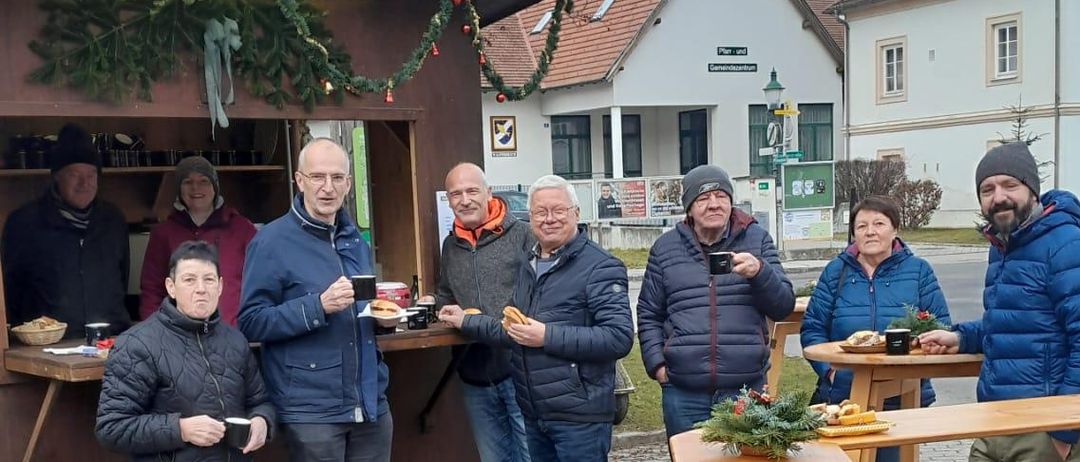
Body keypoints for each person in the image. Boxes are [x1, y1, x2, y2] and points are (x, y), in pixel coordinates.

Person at [439, 174, 634, 462]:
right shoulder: (529, 264)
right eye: (540, 212)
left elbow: (618, 338)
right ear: (530, 217)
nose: (549, 219)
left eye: (558, 210)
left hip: (578, 417)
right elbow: (512, 330)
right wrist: (465, 321)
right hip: (535, 411)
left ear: (576, 214)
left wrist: (546, 336)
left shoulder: (601, 266)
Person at [237, 138, 398, 462]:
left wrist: (383, 321)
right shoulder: (270, 241)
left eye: (337, 178)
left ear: (349, 184)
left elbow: (359, 311)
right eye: (318, 177)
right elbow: (251, 322)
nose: (328, 187)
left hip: (370, 404)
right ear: (299, 180)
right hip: (312, 412)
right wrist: (317, 306)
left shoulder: (355, 239)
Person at [919, 142, 1080, 462]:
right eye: (987, 189)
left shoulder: (1066, 243)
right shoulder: (1004, 245)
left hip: (1042, 426)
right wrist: (961, 337)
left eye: (1010, 185)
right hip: (995, 422)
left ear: (1033, 190)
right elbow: (1014, 323)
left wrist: (1063, 431)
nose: (999, 197)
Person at [636, 164, 794, 437]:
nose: (713, 205)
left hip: (745, 389)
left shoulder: (757, 240)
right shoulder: (665, 248)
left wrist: (759, 272)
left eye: (721, 196)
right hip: (683, 391)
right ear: (689, 207)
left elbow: (783, 306)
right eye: (702, 198)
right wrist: (658, 367)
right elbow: (649, 313)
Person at [800, 195, 951, 462]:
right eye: (862, 226)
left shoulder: (918, 271)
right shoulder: (836, 272)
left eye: (879, 223)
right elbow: (812, 328)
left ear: (895, 229)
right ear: (853, 234)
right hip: (844, 399)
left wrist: (915, 356)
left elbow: (941, 326)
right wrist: (830, 372)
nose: (870, 231)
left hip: (902, 398)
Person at [96, 241, 274, 461]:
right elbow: (111, 428)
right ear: (171, 287)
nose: (201, 288)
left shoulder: (235, 341)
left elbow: (260, 402)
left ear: (219, 287)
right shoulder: (137, 345)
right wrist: (180, 429)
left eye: (208, 280)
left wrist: (262, 421)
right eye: (189, 280)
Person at [425, 163, 531, 462]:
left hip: (520, 371)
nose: (465, 200)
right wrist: (429, 301)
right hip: (473, 375)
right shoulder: (451, 245)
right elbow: (447, 293)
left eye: (472, 191)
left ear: (488, 193)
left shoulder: (523, 236)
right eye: (455, 194)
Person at [2, 123, 131, 335]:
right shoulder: (24, 223)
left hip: (110, 340)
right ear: (56, 177)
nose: (84, 183)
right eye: (74, 175)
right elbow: (11, 291)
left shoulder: (113, 220)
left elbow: (122, 277)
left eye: (91, 175)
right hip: (47, 346)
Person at [139, 156, 256, 325]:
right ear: (179, 189)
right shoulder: (163, 233)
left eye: (204, 181)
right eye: (187, 182)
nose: (196, 187)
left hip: (233, 337)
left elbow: (260, 284)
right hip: (177, 340)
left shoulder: (242, 229)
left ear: (215, 187)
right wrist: (154, 335)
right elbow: (152, 290)